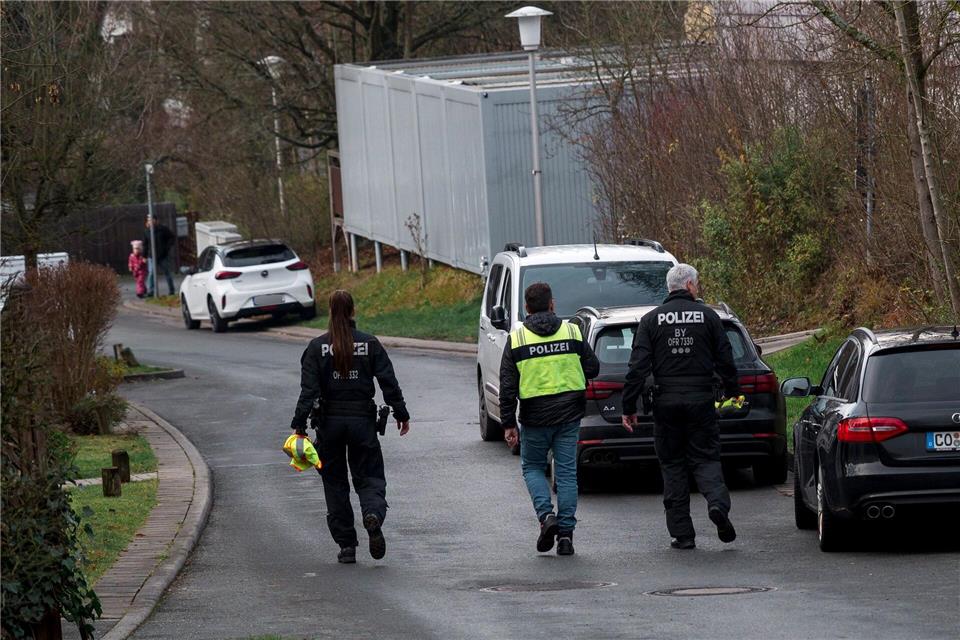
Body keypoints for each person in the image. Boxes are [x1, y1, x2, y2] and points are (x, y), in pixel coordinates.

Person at [621, 264, 740, 550]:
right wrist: (733, 392)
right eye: (696, 284)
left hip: (666, 403)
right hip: (701, 400)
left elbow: (637, 368)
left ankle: (683, 534)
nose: (697, 289)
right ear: (688, 285)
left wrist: (629, 406)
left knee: (673, 465)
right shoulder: (709, 317)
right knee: (706, 458)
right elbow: (726, 359)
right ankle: (717, 505)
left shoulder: (651, 320)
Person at [291, 289, 410, 564]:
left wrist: (299, 426)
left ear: (330, 312)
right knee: (369, 476)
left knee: (334, 484)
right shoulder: (370, 344)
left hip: (329, 424)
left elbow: (308, 391)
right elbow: (388, 381)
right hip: (362, 422)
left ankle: (346, 546)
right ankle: (372, 514)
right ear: (353, 311)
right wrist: (401, 412)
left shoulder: (316, 347)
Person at [499, 282, 600, 556]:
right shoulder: (572, 331)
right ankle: (565, 537)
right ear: (552, 304)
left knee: (532, 467)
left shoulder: (517, 339)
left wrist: (508, 424)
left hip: (535, 418)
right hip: (569, 415)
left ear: (526, 308)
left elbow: (507, 386)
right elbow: (593, 367)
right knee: (566, 474)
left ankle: (546, 517)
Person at [143, 215, 176, 297]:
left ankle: (171, 290)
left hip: (163, 255)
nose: (150, 221)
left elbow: (172, 238)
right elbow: (145, 244)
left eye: (151, 219)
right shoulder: (147, 231)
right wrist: (144, 256)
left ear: (155, 220)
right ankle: (151, 291)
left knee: (167, 272)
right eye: (148, 220)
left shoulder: (163, 229)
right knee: (151, 273)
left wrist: (167, 248)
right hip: (152, 256)